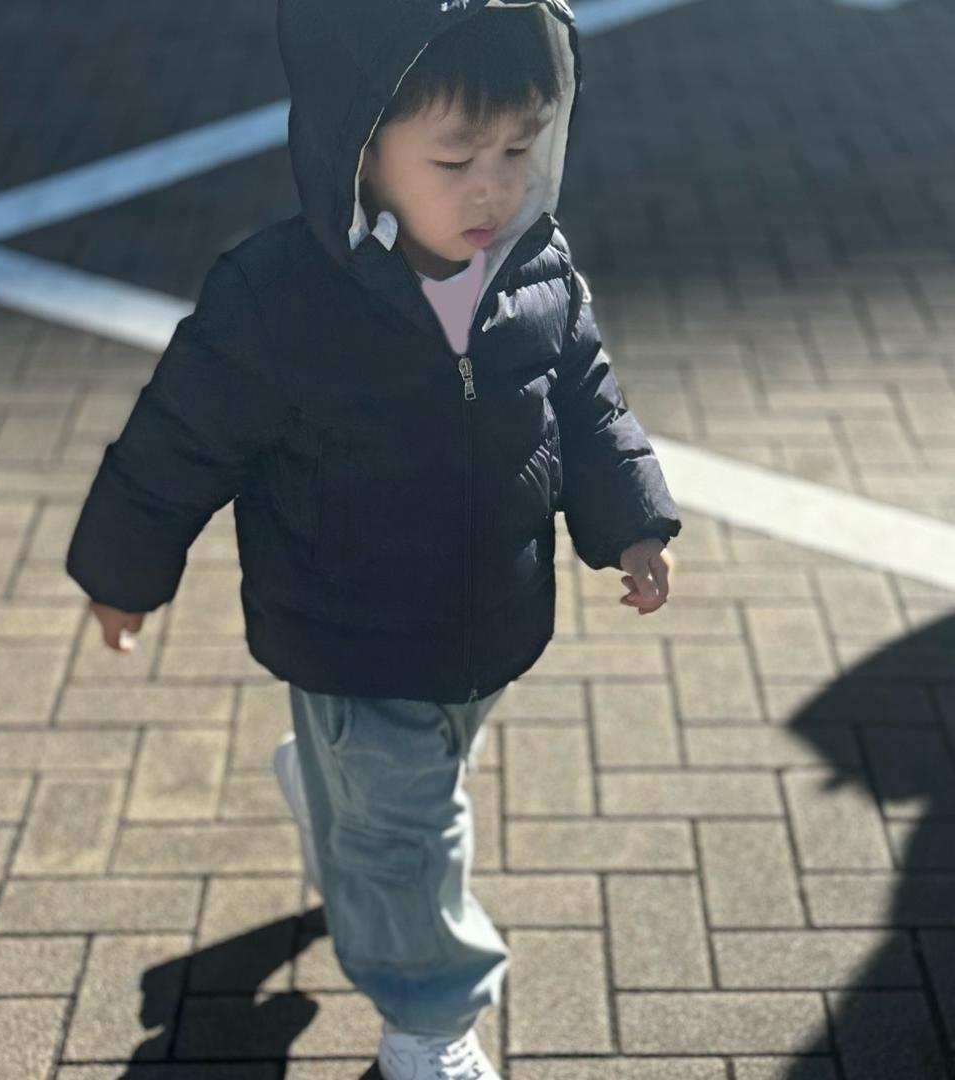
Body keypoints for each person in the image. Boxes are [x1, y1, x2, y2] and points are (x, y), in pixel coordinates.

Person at [65, 1, 683, 1076]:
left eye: (519, 148)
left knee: (419, 778)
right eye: (454, 159)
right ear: (359, 146)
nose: (493, 188)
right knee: (409, 844)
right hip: (348, 640)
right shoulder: (278, 300)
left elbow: (589, 401)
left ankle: (330, 786)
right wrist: (124, 572)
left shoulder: (537, 266)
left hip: (489, 626)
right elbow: (176, 443)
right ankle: (427, 1019)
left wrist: (632, 521)